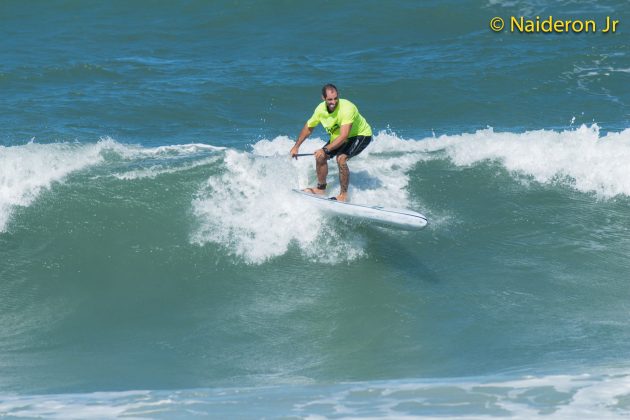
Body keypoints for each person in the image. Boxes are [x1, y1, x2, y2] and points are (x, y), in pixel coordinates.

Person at [290, 84, 372, 202]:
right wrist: (296, 147)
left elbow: (344, 136)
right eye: (329, 99)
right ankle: (321, 189)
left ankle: (343, 195)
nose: (333, 102)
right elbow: (309, 128)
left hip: (360, 135)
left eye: (335, 98)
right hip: (339, 136)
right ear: (323, 98)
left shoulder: (347, 108)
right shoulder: (320, 109)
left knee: (341, 158)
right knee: (320, 157)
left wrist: (325, 149)